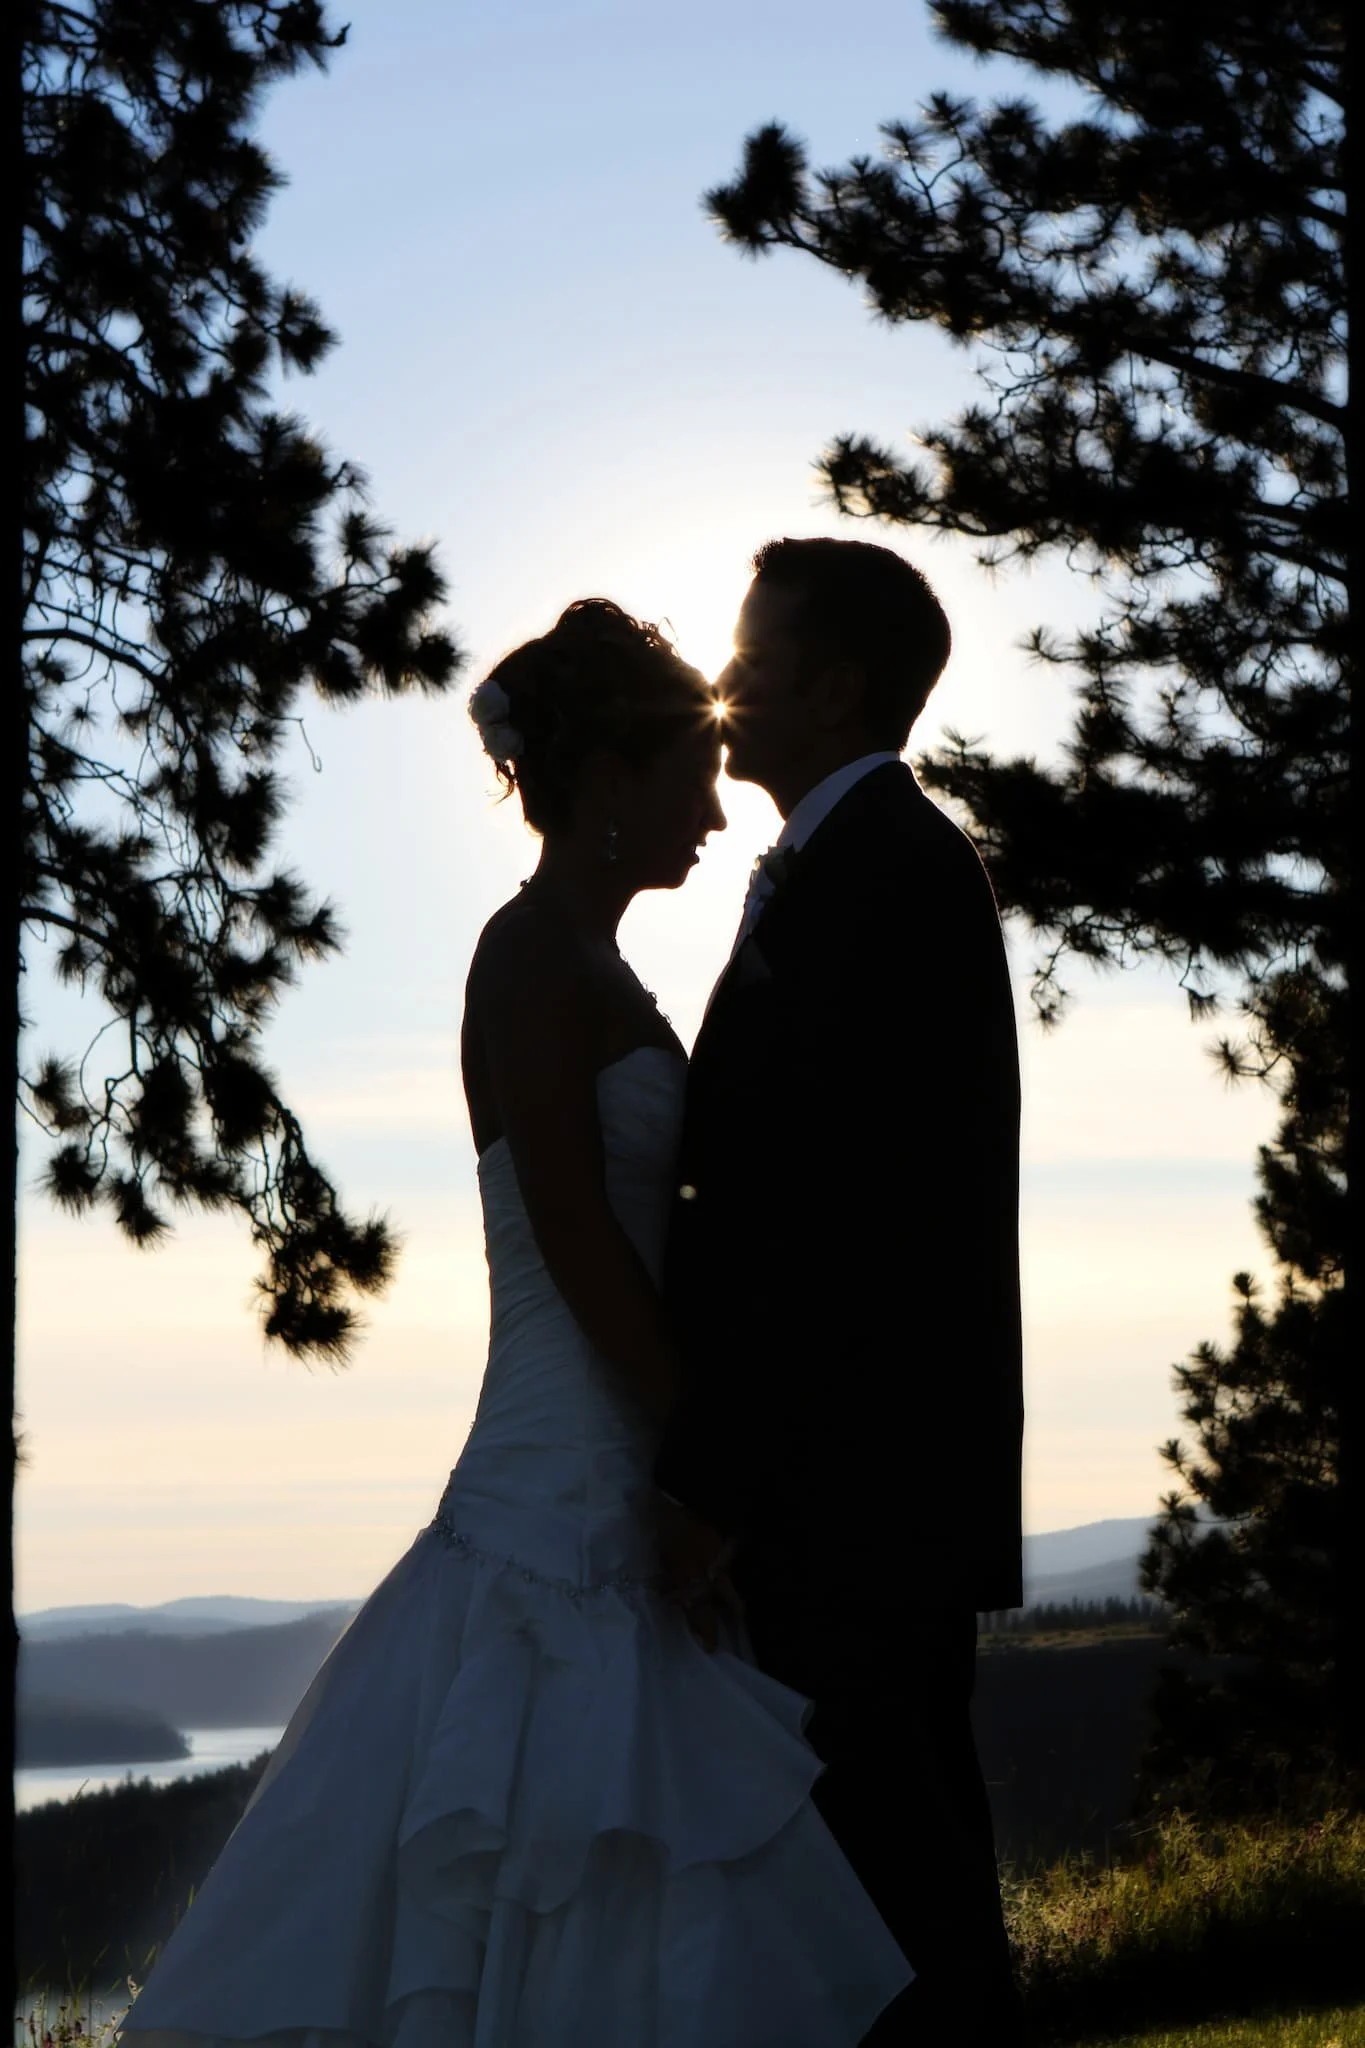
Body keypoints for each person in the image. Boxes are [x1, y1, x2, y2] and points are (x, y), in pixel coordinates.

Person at [118, 598, 912, 2048]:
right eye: (690, 775)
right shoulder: (531, 957)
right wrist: (695, 1455)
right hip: (563, 1477)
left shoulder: (596, 964)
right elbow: (576, 1235)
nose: (715, 810)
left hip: (615, 1468)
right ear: (610, 785)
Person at [655, 539, 1026, 2045]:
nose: (726, 686)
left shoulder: (890, 877)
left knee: (899, 1901)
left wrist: (715, 1484)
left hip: (852, 1492)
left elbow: (828, 1225)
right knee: (880, 1900)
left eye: (755, 656)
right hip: (860, 1486)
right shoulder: (851, 868)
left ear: (840, 683)